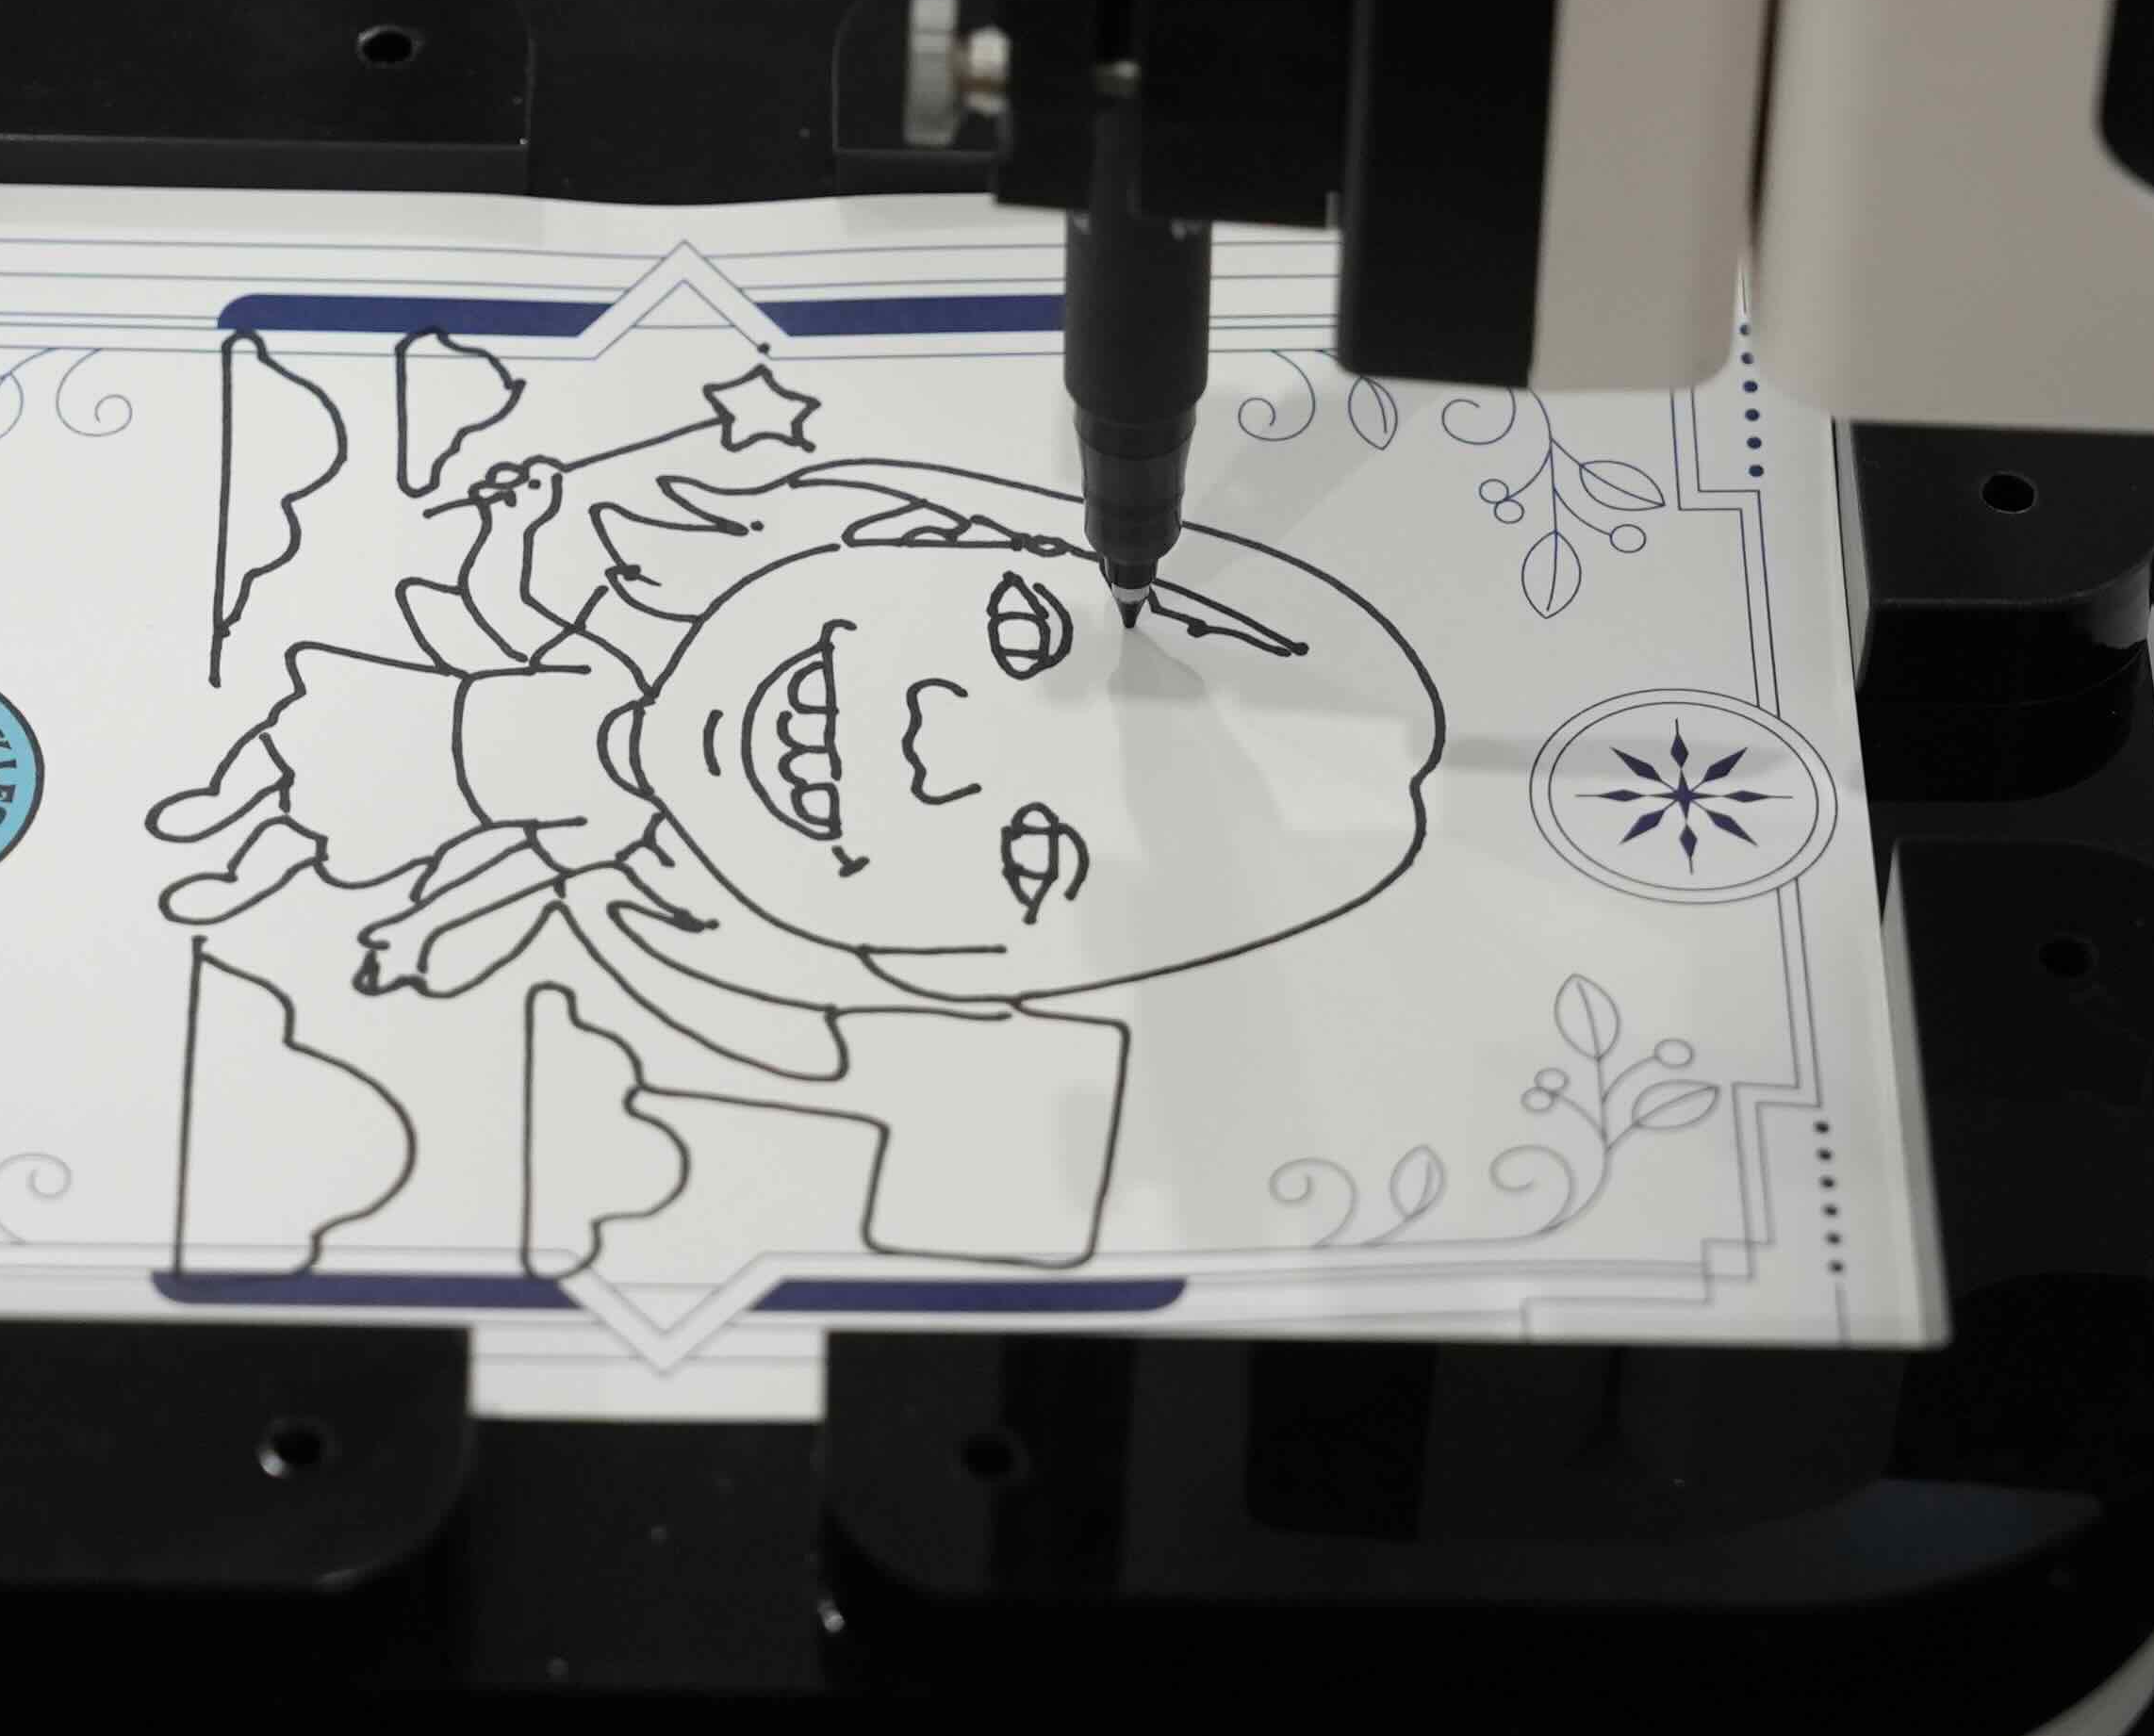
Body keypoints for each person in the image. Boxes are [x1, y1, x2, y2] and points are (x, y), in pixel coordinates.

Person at [153, 443, 1445, 1266]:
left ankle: (235, 852)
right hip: (422, 716)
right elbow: (498, 612)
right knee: (292, 772)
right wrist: (519, 517)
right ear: (915, 529)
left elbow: (512, 874)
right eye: (1019, 633)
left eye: (1033, 856)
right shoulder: (596, 667)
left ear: (958, 973)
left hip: (429, 787)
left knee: (302, 811)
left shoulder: (614, 850)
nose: (932, 741)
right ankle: (230, 835)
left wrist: (418, 931)